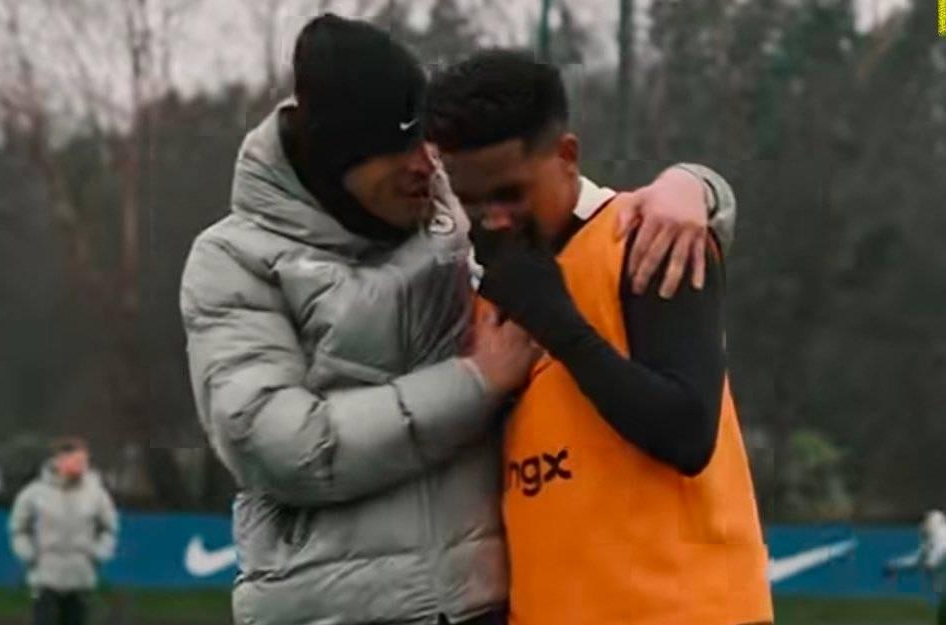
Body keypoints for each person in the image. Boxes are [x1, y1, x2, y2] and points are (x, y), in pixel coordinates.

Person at [180, 14, 740, 625]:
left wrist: (696, 187)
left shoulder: (454, 210)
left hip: (482, 606)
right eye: (396, 149)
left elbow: (578, 204)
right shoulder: (234, 259)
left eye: (424, 142)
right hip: (330, 610)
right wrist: (477, 383)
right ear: (336, 159)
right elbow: (282, 447)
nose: (425, 165)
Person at [425, 49, 773, 625]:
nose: (493, 217)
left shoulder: (649, 236)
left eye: (510, 193)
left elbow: (686, 433)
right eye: (470, 199)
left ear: (566, 155)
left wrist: (560, 326)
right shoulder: (484, 289)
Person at [8, 438, 118, 625]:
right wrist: (28, 554)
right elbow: (19, 528)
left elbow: (109, 528)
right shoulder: (34, 494)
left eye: (84, 461)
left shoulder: (97, 495)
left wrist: (98, 554)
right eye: (77, 461)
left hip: (81, 576)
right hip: (45, 577)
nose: (82, 465)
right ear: (60, 460)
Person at [884, 509, 946, 624]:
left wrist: (933, 561)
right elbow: (916, 562)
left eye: (925, 522)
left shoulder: (941, 540)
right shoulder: (930, 543)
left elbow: (938, 556)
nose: (922, 526)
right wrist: (894, 565)